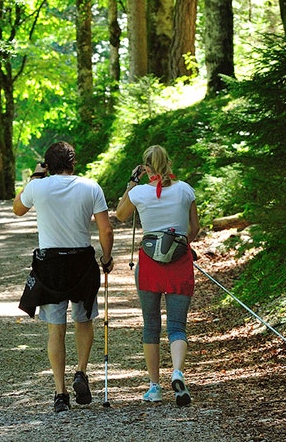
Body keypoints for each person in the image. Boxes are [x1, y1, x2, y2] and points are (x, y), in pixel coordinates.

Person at [14, 141, 115, 413]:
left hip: (51, 265)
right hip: (82, 263)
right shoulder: (90, 187)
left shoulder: (37, 187)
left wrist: (35, 176)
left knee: (55, 330)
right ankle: (81, 371)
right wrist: (106, 259)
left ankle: (60, 394)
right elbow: (106, 230)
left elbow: (17, 209)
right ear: (74, 163)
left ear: (47, 165)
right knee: (84, 320)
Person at [115, 144, 200, 407]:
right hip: (179, 263)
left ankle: (154, 387)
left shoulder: (139, 192)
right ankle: (177, 372)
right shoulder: (185, 189)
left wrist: (132, 182)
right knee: (177, 326)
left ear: (146, 167)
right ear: (169, 162)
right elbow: (193, 229)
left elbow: (120, 214)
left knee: (151, 325)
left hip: (150, 264)